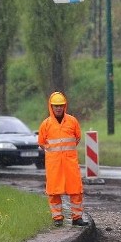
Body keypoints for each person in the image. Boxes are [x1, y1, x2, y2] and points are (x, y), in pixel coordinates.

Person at [38, 91, 89, 227]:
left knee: (76, 190)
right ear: (51, 107)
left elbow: (77, 137)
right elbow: (42, 142)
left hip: (70, 163)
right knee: (54, 191)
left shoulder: (72, 121)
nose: (59, 108)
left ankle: (77, 217)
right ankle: (57, 218)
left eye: (61, 105)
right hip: (54, 164)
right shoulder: (46, 124)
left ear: (65, 106)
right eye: (56, 106)